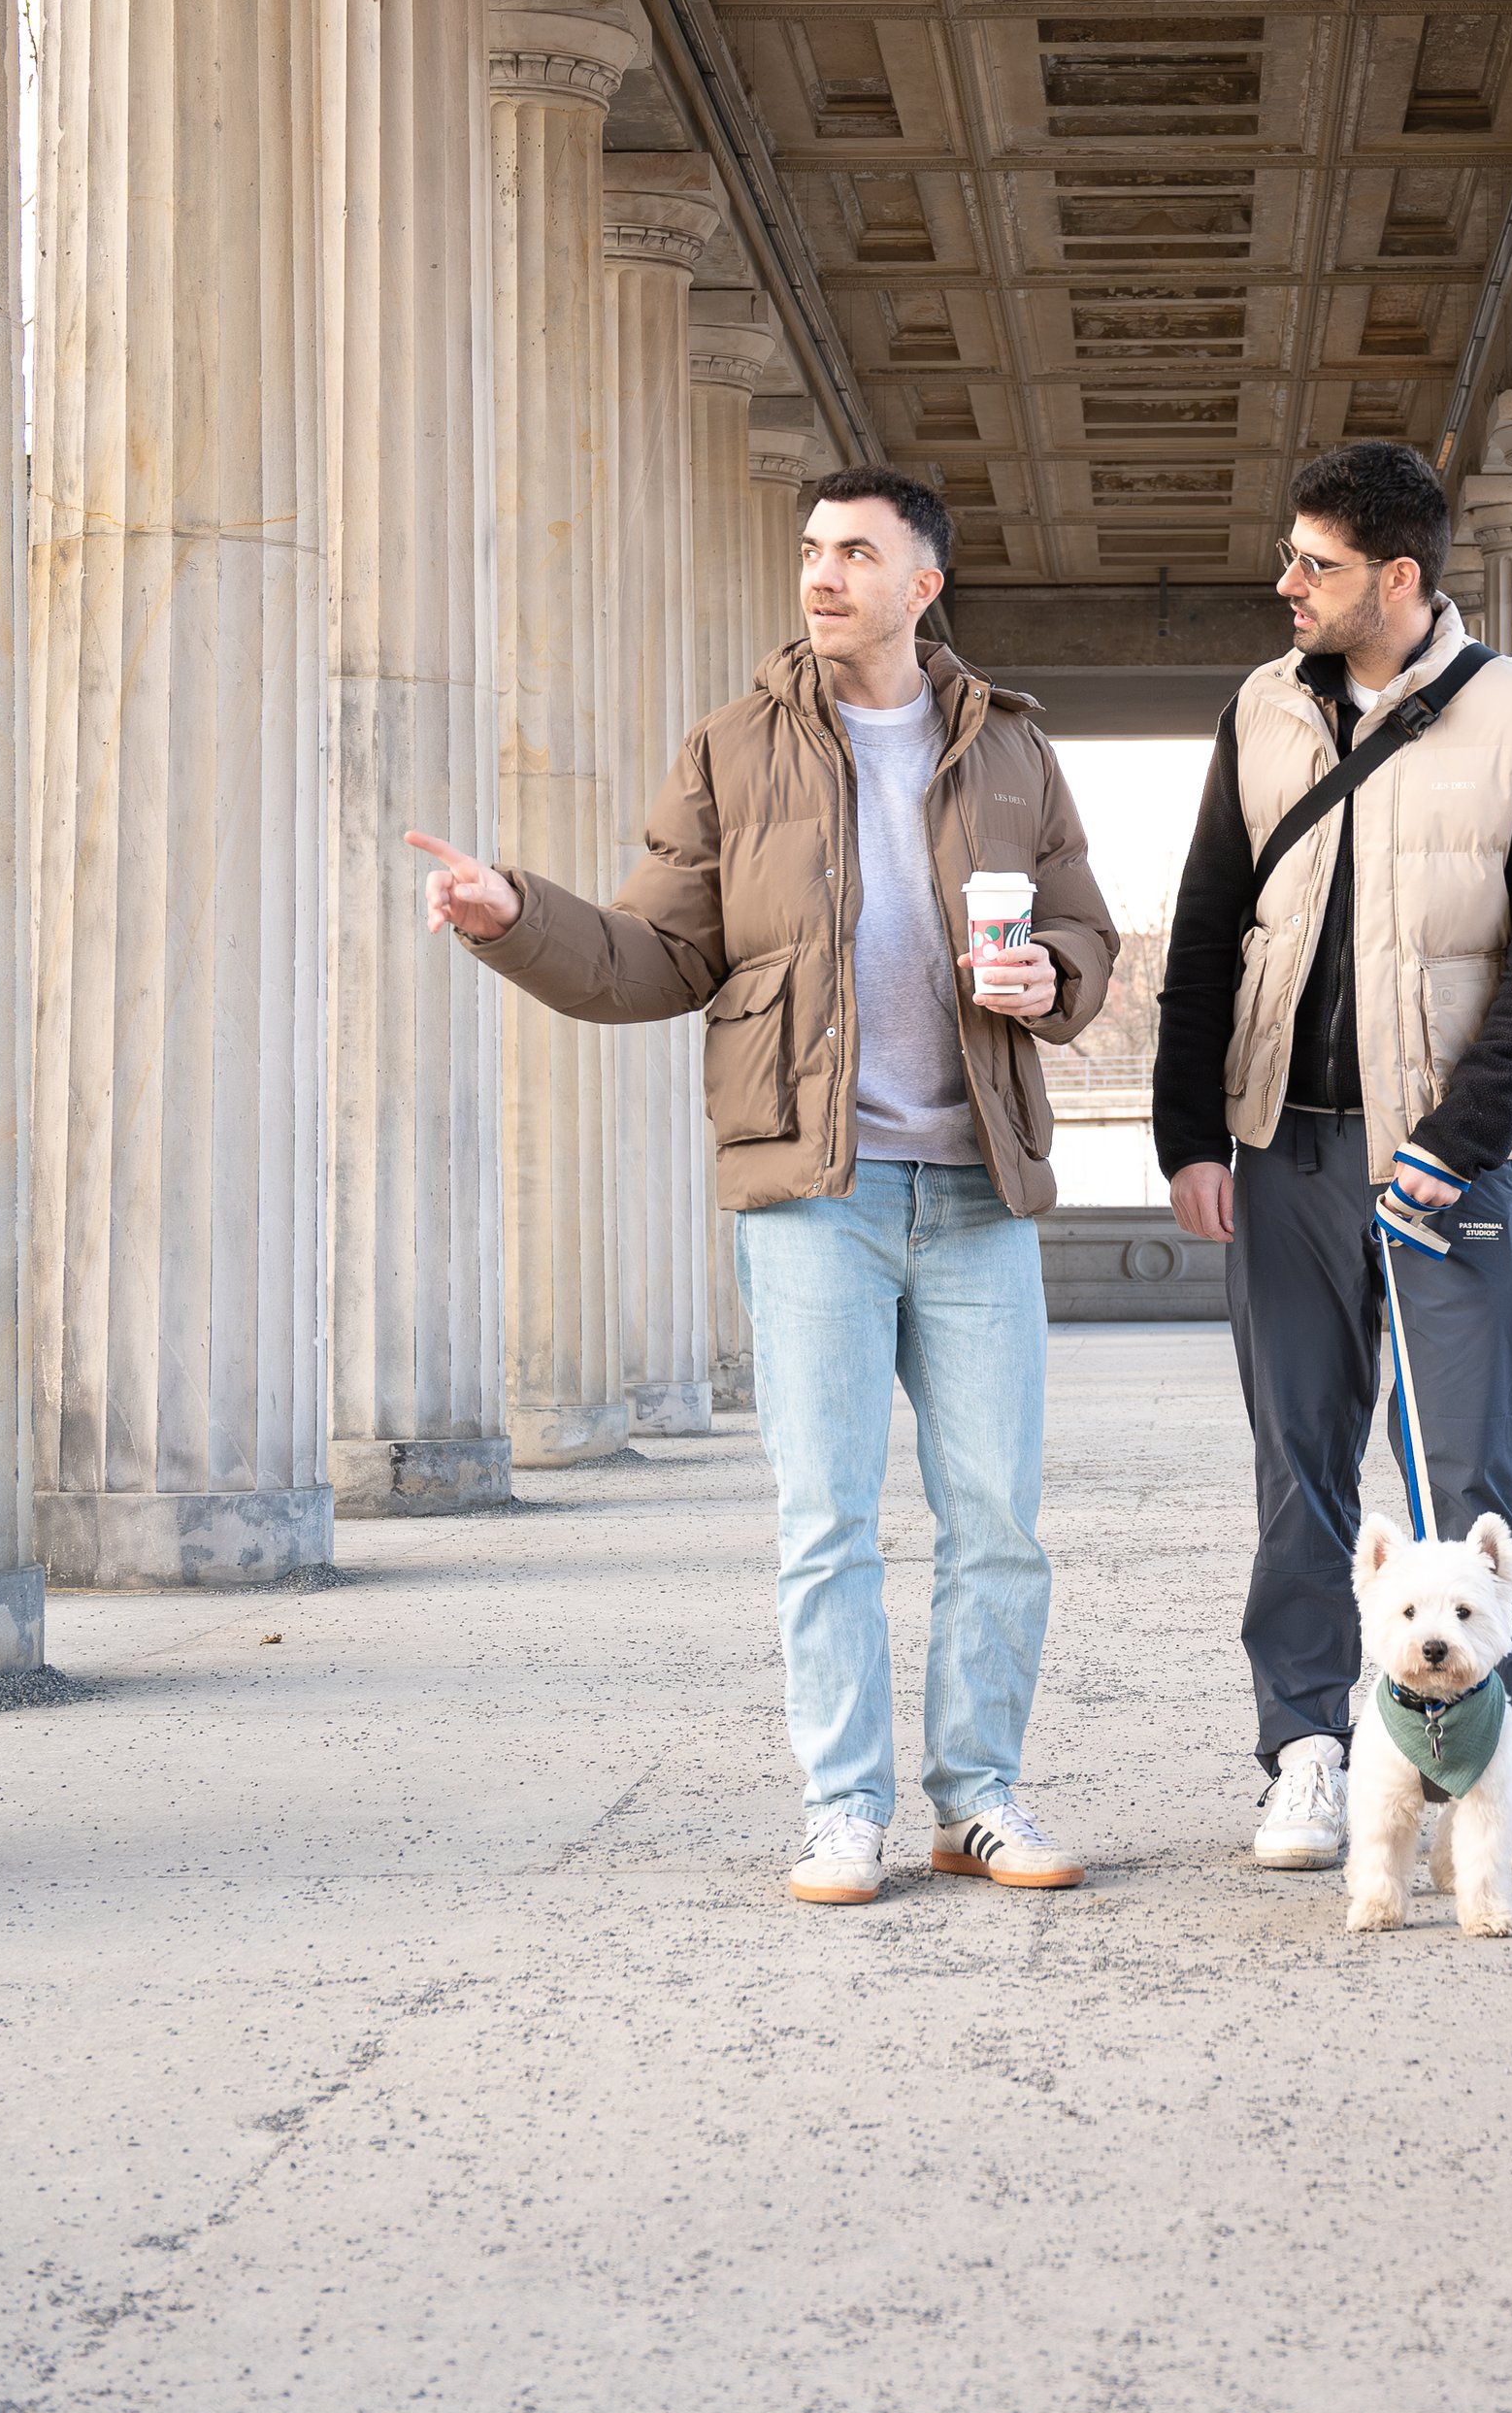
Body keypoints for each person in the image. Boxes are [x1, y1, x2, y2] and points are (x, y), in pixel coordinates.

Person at [409, 467, 1117, 1909]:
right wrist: (513, 916)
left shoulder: (1013, 751)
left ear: (925, 584)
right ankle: (843, 1806)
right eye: (811, 549)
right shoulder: (733, 749)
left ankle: (977, 1798)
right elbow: (654, 956)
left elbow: (1086, 936)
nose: (823, 573)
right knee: (826, 1519)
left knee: (997, 1519)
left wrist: (1054, 977)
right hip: (814, 1190)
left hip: (979, 1181)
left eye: (857, 552)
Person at [1153, 440, 1512, 1877]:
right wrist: (1187, 1135)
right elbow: (1210, 925)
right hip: (1284, 1150)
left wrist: (1458, 1146)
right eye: (1292, 557)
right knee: (1300, 1468)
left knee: (1470, 1478)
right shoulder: (1258, 712)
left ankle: (1492, 1781)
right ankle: (1305, 1753)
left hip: (1453, 1168)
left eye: (1316, 564)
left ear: (1397, 579)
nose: (1286, 583)